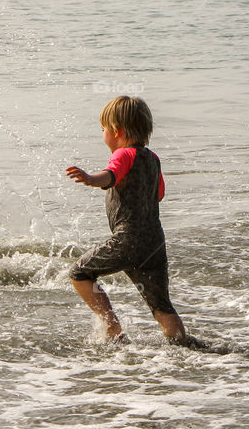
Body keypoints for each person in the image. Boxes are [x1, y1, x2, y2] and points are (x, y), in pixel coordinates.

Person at [66, 96, 189, 345]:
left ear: (117, 131)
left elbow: (110, 176)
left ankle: (113, 330)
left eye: (103, 130)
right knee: (161, 305)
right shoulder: (153, 159)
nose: (103, 135)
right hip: (154, 243)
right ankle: (182, 345)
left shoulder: (123, 154)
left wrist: (90, 179)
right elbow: (159, 194)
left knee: (79, 272)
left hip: (127, 240)